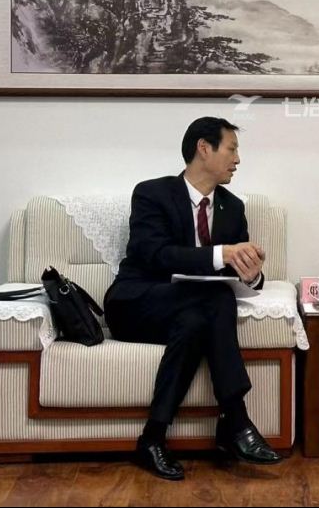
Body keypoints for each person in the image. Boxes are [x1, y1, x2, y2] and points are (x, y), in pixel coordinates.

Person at [104, 117, 281, 480]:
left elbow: (235, 271)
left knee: (198, 319)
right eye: (231, 149)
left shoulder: (232, 208)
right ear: (204, 148)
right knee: (214, 299)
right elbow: (155, 255)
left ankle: (152, 438)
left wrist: (252, 273)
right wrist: (221, 254)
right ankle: (235, 420)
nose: (238, 159)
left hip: (191, 312)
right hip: (137, 303)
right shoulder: (152, 194)